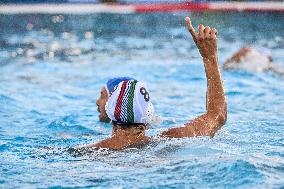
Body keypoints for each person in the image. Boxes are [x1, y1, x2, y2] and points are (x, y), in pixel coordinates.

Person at [86, 17, 227, 150]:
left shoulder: (91, 151)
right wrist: (210, 57)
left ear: (111, 115)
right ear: (147, 120)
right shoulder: (168, 140)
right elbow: (217, 116)